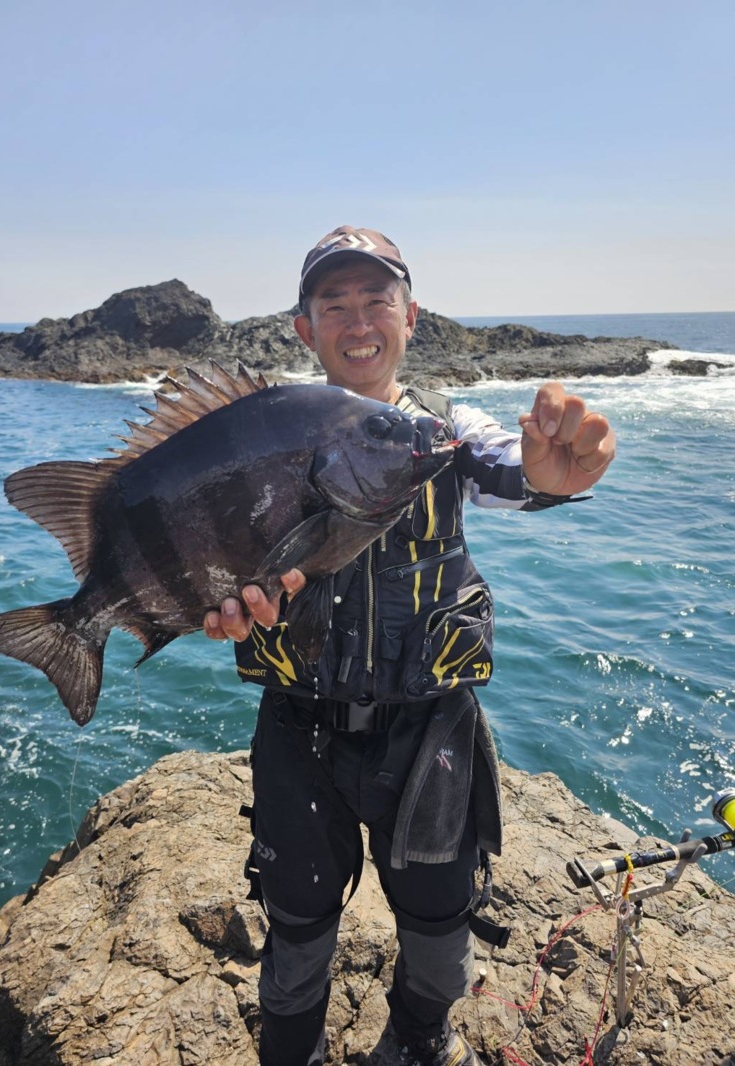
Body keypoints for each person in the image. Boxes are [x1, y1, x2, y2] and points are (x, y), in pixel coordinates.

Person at [203, 226, 616, 1066]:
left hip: (429, 734)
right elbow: (207, 549)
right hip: (298, 731)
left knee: (437, 927)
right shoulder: (269, 438)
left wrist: (551, 473)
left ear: (411, 315)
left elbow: (510, 466)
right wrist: (214, 604)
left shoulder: (445, 431)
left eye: (377, 300)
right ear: (304, 328)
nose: (359, 322)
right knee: (296, 927)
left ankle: (418, 1041)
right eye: (335, 305)